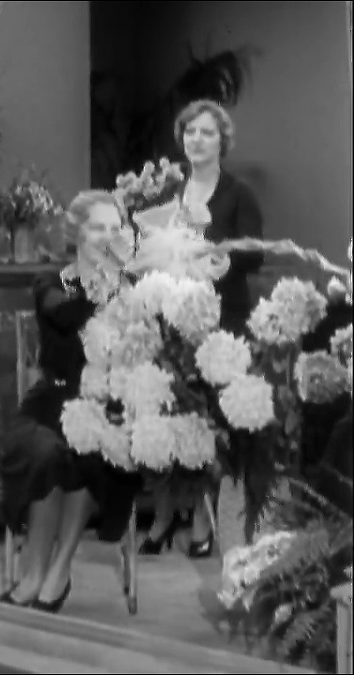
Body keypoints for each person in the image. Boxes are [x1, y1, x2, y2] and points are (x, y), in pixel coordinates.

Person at [0, 190, 143, 612]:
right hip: (52, 402)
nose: (108, 236)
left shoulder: (134, 290)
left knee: (87, 453)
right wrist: (104, 280)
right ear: (76, 232)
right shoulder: (52, 283)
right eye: (97, 227)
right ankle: (34, 571)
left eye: (115, 228)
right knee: (45, 453)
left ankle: (58, 571)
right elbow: (65, 315)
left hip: (109, 406)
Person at [140, 99, 265, 559]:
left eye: (207, 133)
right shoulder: (170, 193)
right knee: (170, 414)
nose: (197, 139)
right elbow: (149, 244)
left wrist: (221, 258)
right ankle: (164, 513)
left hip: (222, 323)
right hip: (174, 320)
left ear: (222, 141)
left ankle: (201, 516)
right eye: (191, 131)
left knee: (211, 421)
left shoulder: (239, 193)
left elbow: (255, 254)